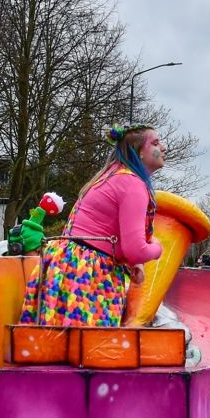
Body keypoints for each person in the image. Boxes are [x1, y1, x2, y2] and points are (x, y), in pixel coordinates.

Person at [21, 124, 165, 328]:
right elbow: (136, 250)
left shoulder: (112, 176)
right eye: (156, 143)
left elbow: (110, 231)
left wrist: (135, 264)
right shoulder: (132, 184)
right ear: (139, 152)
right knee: (89, 343)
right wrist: (158, 248)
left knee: (57, 340)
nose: (163, 147)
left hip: (67, 264)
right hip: (87, 273)